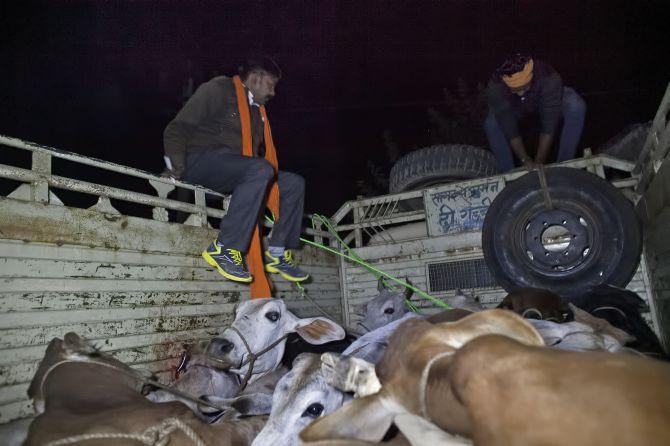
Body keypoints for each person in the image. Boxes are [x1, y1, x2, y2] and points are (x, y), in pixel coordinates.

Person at [163, 55, 309, 292]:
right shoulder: (218, 88)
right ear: (256, 78)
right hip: (200, 161)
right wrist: (175, 166)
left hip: (232, 170)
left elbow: (251, 159)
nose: (273, 93)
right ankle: (224, 248)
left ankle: (278, 252)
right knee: (261, 169)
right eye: (271, 85)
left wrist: (261, 178)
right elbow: (177, 128)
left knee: (293, 183)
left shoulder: (256, 112)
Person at [484, 54, 586, 171]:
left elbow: (549, 124)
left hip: (543, 97)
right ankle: (509, 174)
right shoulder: (495, 86)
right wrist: (525, 159)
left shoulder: (549, 78)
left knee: (576, 105)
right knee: (491, 123)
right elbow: (509, 127)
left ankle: (564, 166)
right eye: (515, 90)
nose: (521, 94)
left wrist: (539, 162)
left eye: (524, 88)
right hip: (515, 106)